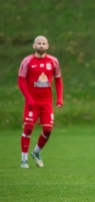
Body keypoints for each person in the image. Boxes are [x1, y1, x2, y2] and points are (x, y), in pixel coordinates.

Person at [18, 36, 63, 168]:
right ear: (34, 46)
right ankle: (24, 159)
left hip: (47, 102)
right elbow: (21, 82)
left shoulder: (53, 61)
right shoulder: (27, 61)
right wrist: (29, 98)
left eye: (44, 43)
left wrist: (59, 98)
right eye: (39, 43)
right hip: (32, 102)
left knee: (48, 130)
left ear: (47, 46)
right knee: (28, 127)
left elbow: (58, 80)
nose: (41, 45)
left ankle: (36, 152)